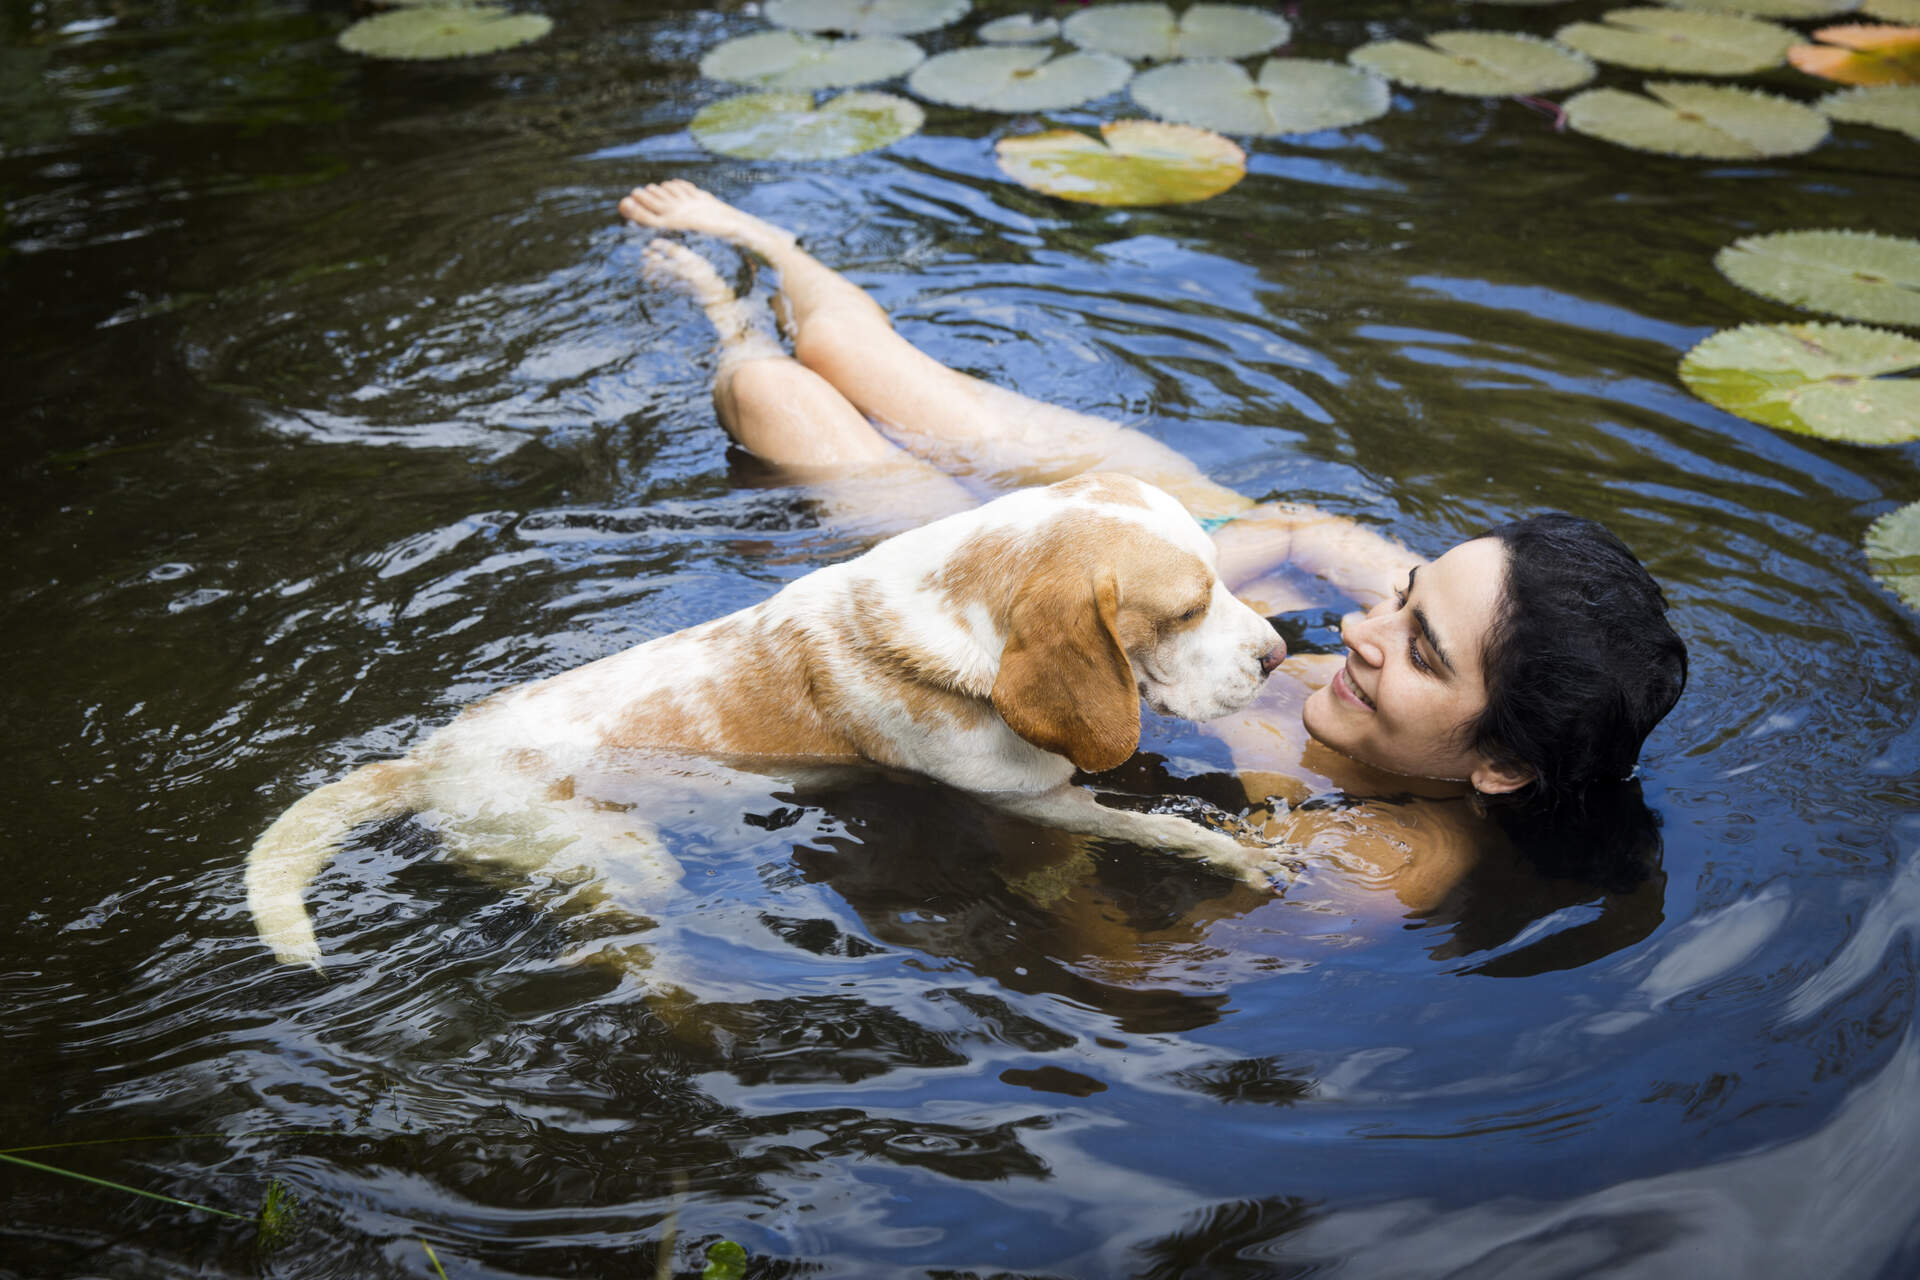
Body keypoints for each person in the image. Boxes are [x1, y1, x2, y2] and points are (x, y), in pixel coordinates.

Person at [615, 180, 1688, 922]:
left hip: (1076, 593)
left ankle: (726, 314)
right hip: (1176, 520)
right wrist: (1277, 566)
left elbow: (1134, 976)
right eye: (1402, 596)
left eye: (1422, 653)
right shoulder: (1398, 673)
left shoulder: (1380, 857)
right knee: (852, 349)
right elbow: (1307, 530)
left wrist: (1034, 836)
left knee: (776, 396)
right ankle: (772, 248)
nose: (1365, 631)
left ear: (1501, 765)